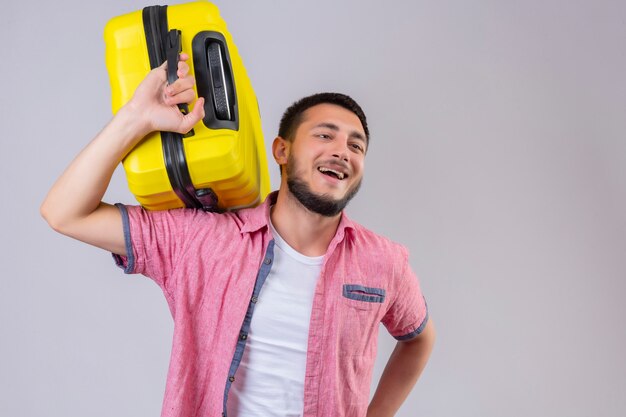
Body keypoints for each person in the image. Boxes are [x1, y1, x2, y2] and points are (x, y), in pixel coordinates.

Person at [41, 54, 435, 417]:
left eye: (356, 145)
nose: (342, 151)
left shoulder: (384, 261)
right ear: (282, 150)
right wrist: (136, 119)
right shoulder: (201, 239)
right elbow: (64, 212)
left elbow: (419, 339)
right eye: (324, 135)